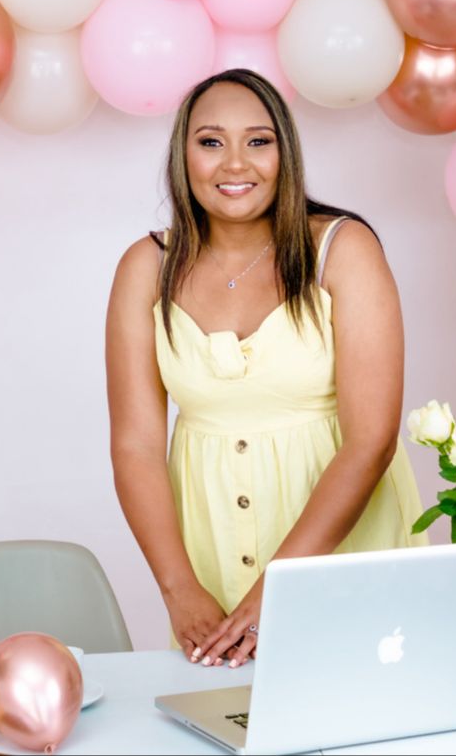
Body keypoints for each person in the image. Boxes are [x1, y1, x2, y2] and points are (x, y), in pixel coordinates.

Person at [106, 69, 424, 671]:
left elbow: (372, 440)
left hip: (340, 549)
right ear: (182, 156)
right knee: (220, 713)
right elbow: (135, 446)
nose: (235, 163)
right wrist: (179, 588)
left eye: (258, 141)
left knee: (359, 697)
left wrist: (279, 585)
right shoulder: (146, 267)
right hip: (210, 555)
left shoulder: (342, 250)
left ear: (286, 154)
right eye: (210, 141)